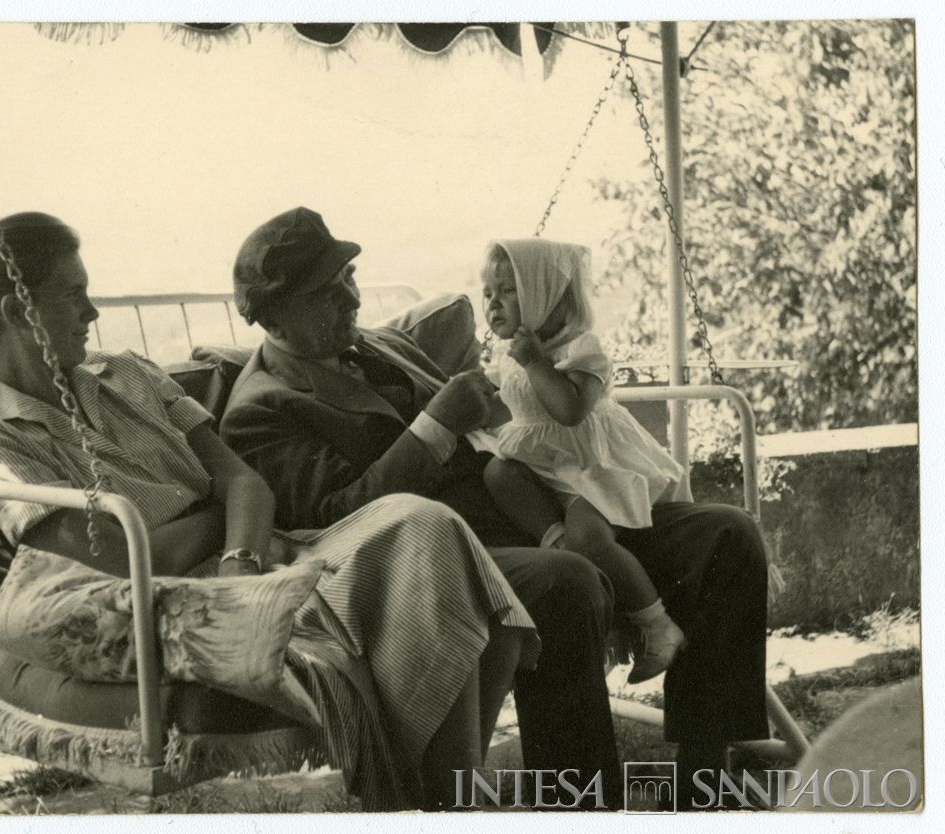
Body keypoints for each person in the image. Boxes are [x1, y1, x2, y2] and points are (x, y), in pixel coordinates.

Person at [0, 212, 539, 811]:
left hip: (257, 554)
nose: (92, 312)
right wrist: (218, 520)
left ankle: (425, 801)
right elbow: (110, 557)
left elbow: (247, 485)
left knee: (425, 524)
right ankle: (439, 806)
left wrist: (240, 554)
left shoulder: (127, 372)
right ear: (18, 310)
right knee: (448, 599)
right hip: (176, 590)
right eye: (74, 295)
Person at [220, 206, 772, 810]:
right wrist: (436, 425)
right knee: (565, 581)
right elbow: (338, 518)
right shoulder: (262, 409)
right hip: (444, 558)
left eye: (349, 278)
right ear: (274, 315)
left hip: (541, 501)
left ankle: (707, 782)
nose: (351, 298)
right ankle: (580, 808)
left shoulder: (380, 346)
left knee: (726, 534)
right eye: (328, 292)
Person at [478, 238, 689, 684]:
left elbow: (569, 411)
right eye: (488, 292)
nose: (493, 303)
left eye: (508, 291)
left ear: (544, 295)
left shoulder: (583, 350)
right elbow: (516, 405)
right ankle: (556, 545)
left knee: (591, 537)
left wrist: (537, 363)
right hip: (545, 464)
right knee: (498, 473)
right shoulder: (511, 353)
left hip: (590, 468)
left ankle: (657, 625)